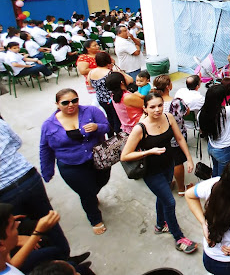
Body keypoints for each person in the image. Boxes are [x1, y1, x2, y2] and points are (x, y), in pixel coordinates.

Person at [120, 91, 198, 254]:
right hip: (151, 172)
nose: (157, 110)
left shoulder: (169, 117)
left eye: (160, 105)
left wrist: (189, 159)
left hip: (168, 165)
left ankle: (160, 224)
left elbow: (180, 138)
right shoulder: (140, 128)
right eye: (152, 107)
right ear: (145, 108)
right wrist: (148, 152)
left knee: (162, 197)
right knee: (170, 202)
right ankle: (179, 238)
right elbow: (125, 155)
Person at [0, 119, 74, 273]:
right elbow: (17, 142)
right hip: (27, 178)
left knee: (20, 231)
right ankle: (63, 260)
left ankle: (61, 264)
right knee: (48, 220)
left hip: (6, 191)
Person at [39, 89, 110, 235]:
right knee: (86, 194)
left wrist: (97, 127)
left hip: (97, 158)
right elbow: (45, 148)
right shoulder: (49, 125)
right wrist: (47, 170)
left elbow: (107, 126)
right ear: (57, 104)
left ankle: (92, 194)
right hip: (71, 165)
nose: (71, 105)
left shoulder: (91, 111)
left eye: (74, 100)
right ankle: (95, 219)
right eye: (65, 102)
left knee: (102, 181)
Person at [200, 81, 230, 177]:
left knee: (216, 170)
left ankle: (213, 186)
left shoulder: (201, 113)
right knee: (224, 176)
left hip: (211, 146)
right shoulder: (224, 111)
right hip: (225, 149)